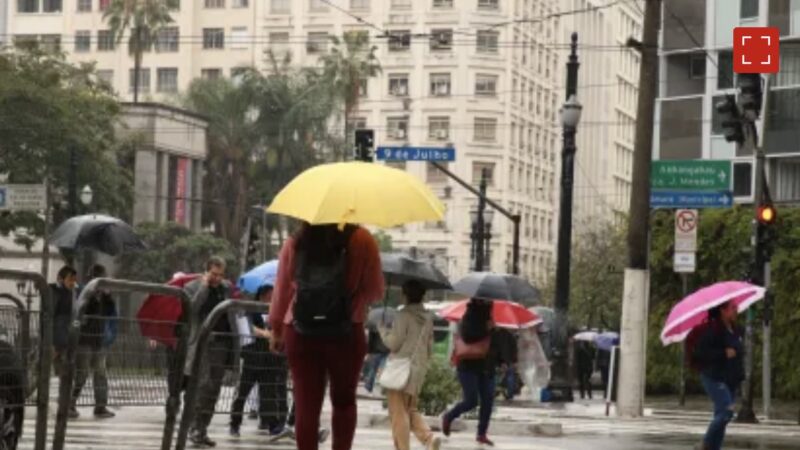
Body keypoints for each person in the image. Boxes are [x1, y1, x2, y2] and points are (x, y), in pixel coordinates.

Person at [270, 223, 384, 450]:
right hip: (347, 331)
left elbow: (282, 290)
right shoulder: (362, 239)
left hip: (300, 331)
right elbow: (375, 292)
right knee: (344, 402)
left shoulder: (295, 241)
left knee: (306, 406)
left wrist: (276, 329)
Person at [378, 281, 441, 450]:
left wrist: (383, 331)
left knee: (398, 413)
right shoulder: (428, 318)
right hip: (417, 369)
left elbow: (394, 344)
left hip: (401, 369)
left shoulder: (403, 315)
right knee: (410, 410)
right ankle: (429, 438)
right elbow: (429, 347)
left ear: (405, 294)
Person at [184, 257, 239, 448]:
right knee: (203, 386)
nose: (217, 278)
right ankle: (194, 428)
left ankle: (203, 429)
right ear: (206, 271)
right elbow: (191, 308)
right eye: (214, 274)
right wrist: (204, 287)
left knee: (214, 390)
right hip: (204, 343)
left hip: (223, 344)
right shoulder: (192, 286)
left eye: (220, 275)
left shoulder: (225, 288)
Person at [230, 284, 288, 437]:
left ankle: (272, 423)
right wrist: (265, 333)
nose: (271, 297)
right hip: (253, 356)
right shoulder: (251, 309)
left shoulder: (277, 310)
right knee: (243, 391)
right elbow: (247, 326)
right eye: (269, 295)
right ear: (262, 295)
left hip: (270, 359)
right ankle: (235, 422)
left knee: (268, 392)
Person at [442, 298, 499, 446]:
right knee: (471, 400)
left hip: (487, 365)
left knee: (488, 401)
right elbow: (468, 336)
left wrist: (494, 330)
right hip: (468, 365)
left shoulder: (490, 318)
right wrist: (488, 329)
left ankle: (481, 433)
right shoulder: (468, 316)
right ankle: (449, 416)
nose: (490, 305)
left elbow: (493, 343)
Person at [692, 301, 744, 450]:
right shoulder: (712, 329)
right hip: (713, 376)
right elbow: (701, 354)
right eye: (732, 308)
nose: (736, 310)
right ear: (723, 311)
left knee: (722, 417)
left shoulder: (736, 329)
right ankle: (705, 443)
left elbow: (738, 351)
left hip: (731, 378)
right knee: (727, 412)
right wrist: (723, 353)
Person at [69, 264, 117, 419]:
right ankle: (70, 403)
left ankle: (100, 406)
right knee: (81, 374)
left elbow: (110, 311)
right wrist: (92, 297)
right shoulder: (84, 292)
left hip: (99, 339)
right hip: (84, 339)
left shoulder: (104, 295)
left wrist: (108, 296)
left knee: (100, 373)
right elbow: (79, 310)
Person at [51, 265, 78, 378]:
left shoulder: (72, 293)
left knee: (63, 358)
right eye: (70, 279)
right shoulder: (55, 291)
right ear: (61, 279)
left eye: (74, 279)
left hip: (67, 330)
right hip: (58, 330)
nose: (72, 282)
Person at [364, 317, 391, 394]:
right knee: (382, 369)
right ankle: (380, 388)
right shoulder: (389, 327)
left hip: (376, 351)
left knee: (374, 369)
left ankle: (369, 386)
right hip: (386, 350)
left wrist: (369, 352)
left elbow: (370, 341)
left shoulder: (373, 327)